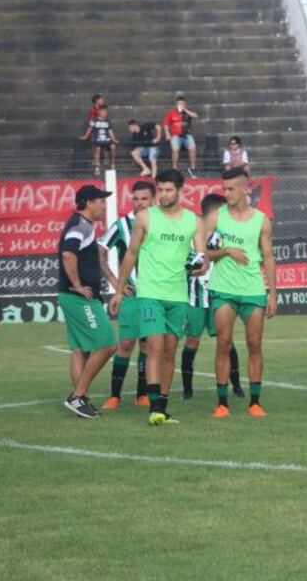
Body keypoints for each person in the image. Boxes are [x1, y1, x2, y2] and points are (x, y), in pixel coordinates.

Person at [110, 169, 208, 426]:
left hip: (178, 295)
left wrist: (201, 266)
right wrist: (118, 290)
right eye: (161, 190)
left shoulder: (194, 221)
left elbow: (202, 256)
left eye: (168, 190)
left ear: (179, 191)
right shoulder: (145, 217)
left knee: (169, 350)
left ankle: (162, 407)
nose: (164, 195)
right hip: (150, 293)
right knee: (154, 346)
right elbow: (131, 253)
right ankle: (154, 409)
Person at [204, 168, 278, 418]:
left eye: (231, 189)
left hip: (253, 290)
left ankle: (255, 402)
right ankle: (222, 403)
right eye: (224, 189)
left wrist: (273, 294)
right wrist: (226, 251)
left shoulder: (261, 220)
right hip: (223, 289)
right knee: (223, 343)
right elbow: (206, 252)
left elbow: (268, 257)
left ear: (246, 189)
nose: (226, 193)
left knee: (254, 345)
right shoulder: (216, 217)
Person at [59, 185, 118, 419]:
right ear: (88, 203)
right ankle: (77, 396)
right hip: (79, 298)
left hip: (73, 296)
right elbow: (68, 253)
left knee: (81, 350)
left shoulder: (82, 225)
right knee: (108, 344)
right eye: (101, 201)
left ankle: (80, 401)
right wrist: (76, 284)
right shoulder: (79, 226)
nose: (104, 206)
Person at [98, 180, 155, 410]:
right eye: (136, 199)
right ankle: (115, 396)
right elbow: (101, 250)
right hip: (131, 296)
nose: (140, 203)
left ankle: (142, 394)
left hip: (154, 294)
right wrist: (115, 283)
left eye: (144, 199)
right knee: (126, 343)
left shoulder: (161, 223)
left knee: (148, 345)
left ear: (153, 200)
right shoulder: (121, 225)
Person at [181, 193, 244, 400]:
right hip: (195, 298)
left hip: (219, 296)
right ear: (213, 212)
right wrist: (190, 270)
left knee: (226, 340)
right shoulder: (190, 234)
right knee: (192, 340)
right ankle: (187, 389)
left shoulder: (224, 235)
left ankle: (236, 385)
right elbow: (182, 263)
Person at [163, 95, 199, 177]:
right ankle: (174, 168)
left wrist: (185, 110)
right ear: (176, 104)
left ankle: (193, 168)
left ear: (185, 104)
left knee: (192, 148)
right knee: (175, 149)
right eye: (178, 104)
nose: (180, 105)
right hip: (175, 135)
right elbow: (165, 123)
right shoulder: (172, 112)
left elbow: (195, 116)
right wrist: (167, 134)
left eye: (182, 104)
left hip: (186, 135)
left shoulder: (187, 112)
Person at [80, 105, 118, 176]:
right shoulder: (93, 120)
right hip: (97, 139)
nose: (105, 113)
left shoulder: (108, 120)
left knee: (113, 146)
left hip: (106, 139)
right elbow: (90, 129)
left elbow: (110, 130)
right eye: (103, 111)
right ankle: (97, 167)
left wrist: (114, 139)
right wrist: (86, 136)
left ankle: (112, 163)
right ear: (99, 112)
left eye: (106, 112)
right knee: (98, 149)